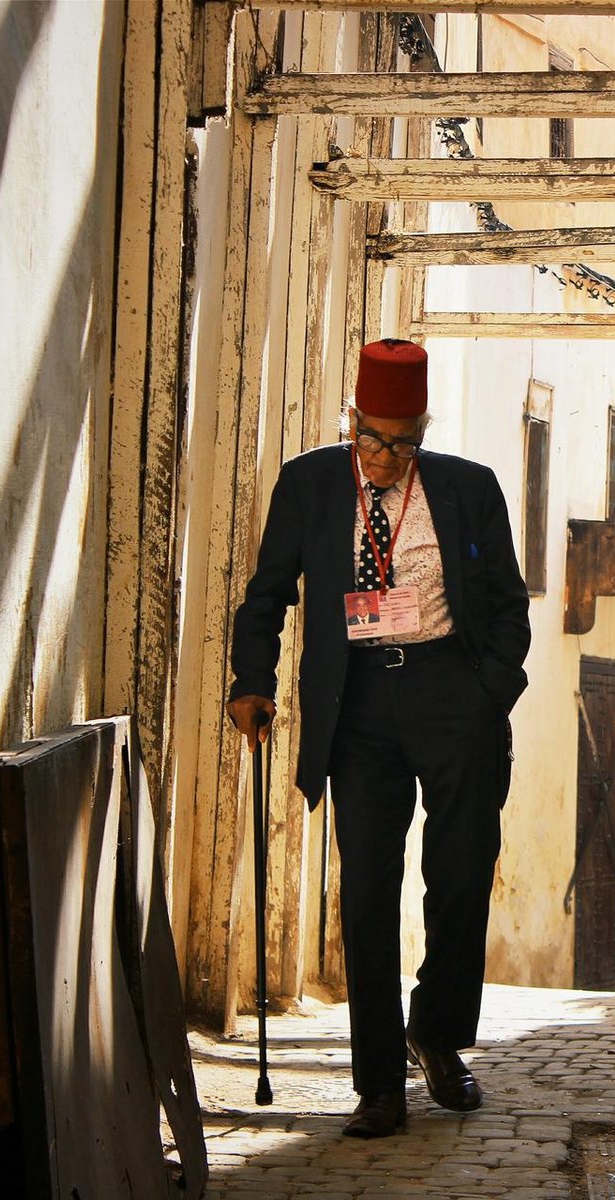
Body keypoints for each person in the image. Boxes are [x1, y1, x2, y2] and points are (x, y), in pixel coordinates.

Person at [226, 338, 531, 1138]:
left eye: (403, 441)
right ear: (351, 420)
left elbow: (506, 604)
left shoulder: (470, 489)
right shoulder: (309, 485)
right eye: (373, 438)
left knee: (461, 874)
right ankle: (376, 1083)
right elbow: (266, 598)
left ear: (423, 430)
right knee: (367, 888)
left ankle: (435, 1036)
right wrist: (251, 682)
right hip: (356, 703)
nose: (387, 456)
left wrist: (487, 692)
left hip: (449, 692)